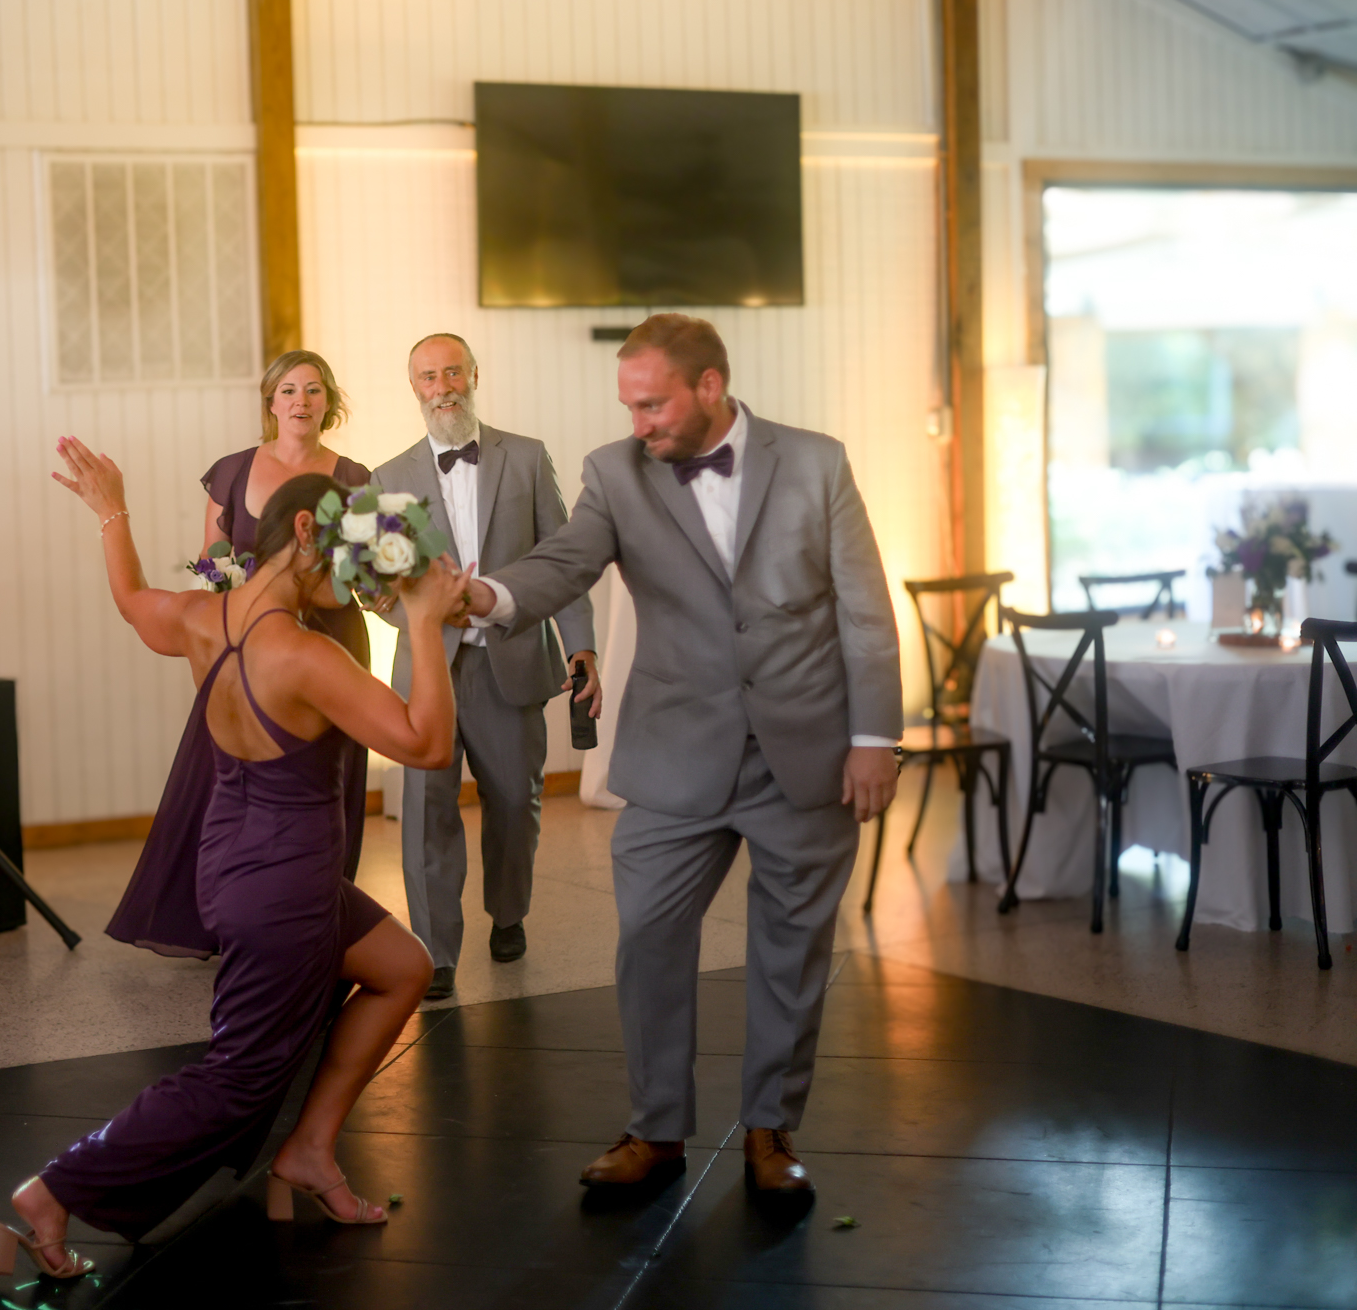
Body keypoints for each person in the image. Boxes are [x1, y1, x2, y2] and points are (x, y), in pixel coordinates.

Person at [0, 439, 463, 1280]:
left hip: (234, 861)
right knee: (237, 1077)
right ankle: (55, 1190)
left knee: (402, 967)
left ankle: (308, 1150)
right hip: (285, 884)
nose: (350, 584)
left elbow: (132, 601)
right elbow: (426, 744)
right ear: (306, 531)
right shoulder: (306, 655)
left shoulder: (203, 619)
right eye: (344, 561)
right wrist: (423, 620)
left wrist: (111, 512)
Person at [459, 313, 901, 1200]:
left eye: (652, 404)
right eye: (629, 406)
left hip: (805, 752)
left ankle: (771, 1129)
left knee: (791, 951)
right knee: (650, 938)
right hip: (674, 752)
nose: (638, 423)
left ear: (710, 386)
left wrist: (873, 738)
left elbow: (864, 608)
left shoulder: (817, 462)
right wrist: (485, 594)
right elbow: (563, 563)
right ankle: (656, 1129)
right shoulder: (614, 471)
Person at [103, 351, 374, 961]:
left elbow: (350, 577)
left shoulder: (356, 477)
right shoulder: (232, 471)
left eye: (313, 390)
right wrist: (230, 606)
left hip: (330, 638)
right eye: (288, 390)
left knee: (320, 781)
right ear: (271, 401)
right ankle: (217, 916)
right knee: (221, 773)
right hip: (245, 640)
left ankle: (312, 915)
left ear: (329, 403)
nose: (300, 400)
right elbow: (213, 560)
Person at [373, 333, 599, 1000]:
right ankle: (435, 949)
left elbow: (563, 561)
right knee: (426, 811)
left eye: (452, 372)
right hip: (429, 674)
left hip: (514, 658)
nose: (442, 386)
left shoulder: (526, 457)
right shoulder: (387, 478)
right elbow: (377, 589)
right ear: (413, 387)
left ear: (474, 375)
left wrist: (581, 645)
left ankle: (509, 913)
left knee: (514, 804)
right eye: (428, 376)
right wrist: (410, 611)